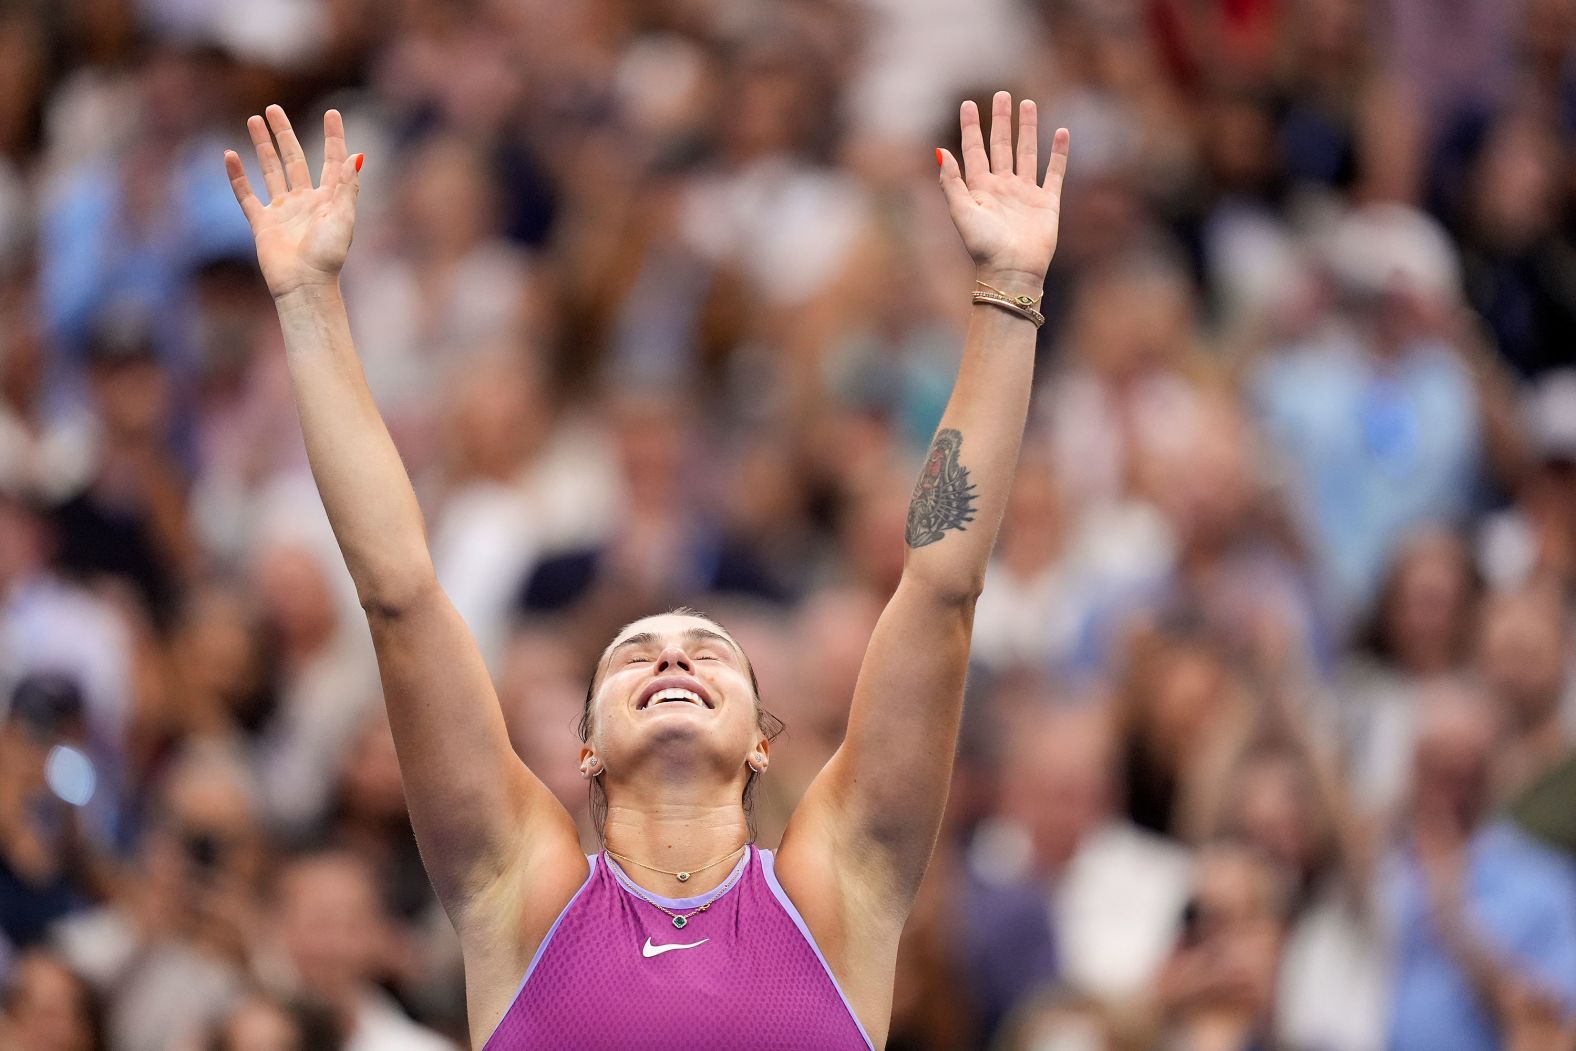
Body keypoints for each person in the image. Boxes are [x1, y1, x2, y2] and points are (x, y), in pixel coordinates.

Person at [222, 92, 1069, 1048]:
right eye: (636, 655)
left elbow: (942, 586)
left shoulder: (843, 885)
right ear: (584, 747)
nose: (673, 658)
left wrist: (1008, 286)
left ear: (763, 740)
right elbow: (401, 597)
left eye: (710, 652)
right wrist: (307, 300)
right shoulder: (517, 885)